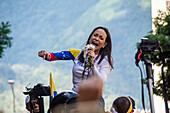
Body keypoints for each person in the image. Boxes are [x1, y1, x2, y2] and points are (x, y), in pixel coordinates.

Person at [38, 26, 113, 109]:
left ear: (104, 44)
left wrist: (91, 62)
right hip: (75, 97)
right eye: (95, 35)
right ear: (90, 37)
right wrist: (45, 54)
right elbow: (54, 56)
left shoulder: (105, 60)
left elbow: (101, 81)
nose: (96, 38)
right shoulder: (77, 53)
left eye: (101, 38)